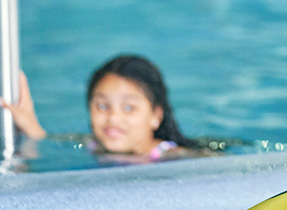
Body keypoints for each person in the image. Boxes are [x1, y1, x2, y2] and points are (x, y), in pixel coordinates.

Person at [1, 54, 200, 163]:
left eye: (129, 108)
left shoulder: (174, 157)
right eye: (102, 106)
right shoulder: (93, 145)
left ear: (156, 115)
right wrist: (33, 129)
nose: (113, 118)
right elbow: (48, 141)